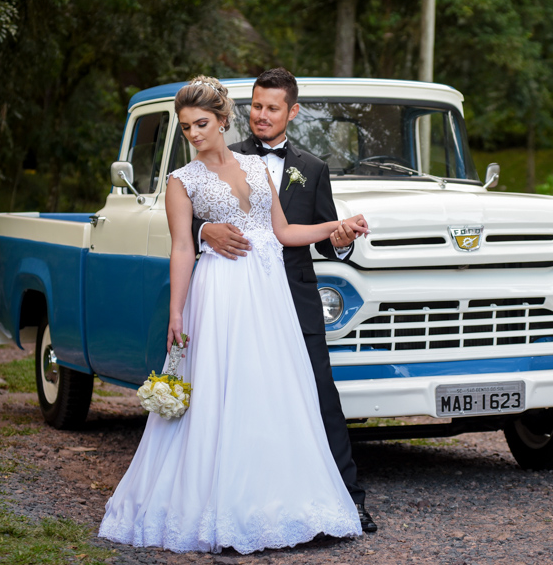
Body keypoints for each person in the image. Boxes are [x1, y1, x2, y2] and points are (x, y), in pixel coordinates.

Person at [98, 76, 369, 554]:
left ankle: (283, 504)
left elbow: (284, 231)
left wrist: (337, 225)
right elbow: (181, 246)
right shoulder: (183, 180)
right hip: (223, 291)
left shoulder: (257, 166)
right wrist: (176, 313)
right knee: (226, 390)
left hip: (272, 297)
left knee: (280, 394)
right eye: (186, 128)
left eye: (201, 124)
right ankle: (216, 505)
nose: (195, 134)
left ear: (222, 120)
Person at [191, 68, 376, 534]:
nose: (262, 115)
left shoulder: (312, 168)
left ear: (291, 112)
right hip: (236, 300)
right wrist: (203, 231)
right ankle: (239, 500)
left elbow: (324, 236)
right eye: (255, 106)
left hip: (294, 298)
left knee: (319, 397)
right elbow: (187, 219)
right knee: (243, 396)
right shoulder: (220, 155)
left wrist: (343, 235)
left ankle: (347, 501)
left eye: (272, 108)